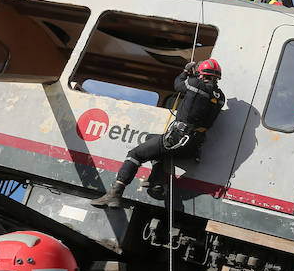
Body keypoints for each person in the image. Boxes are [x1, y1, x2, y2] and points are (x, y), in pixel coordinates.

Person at [91, 59, 226, 208]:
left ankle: (114, 193)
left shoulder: (195, 84)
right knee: (151, 140)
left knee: (135, 154)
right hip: (193, 146)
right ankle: (157, 181)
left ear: (201, 74)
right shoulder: (221, 97)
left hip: (177, 138)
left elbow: (178, 84)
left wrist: (186, 71)